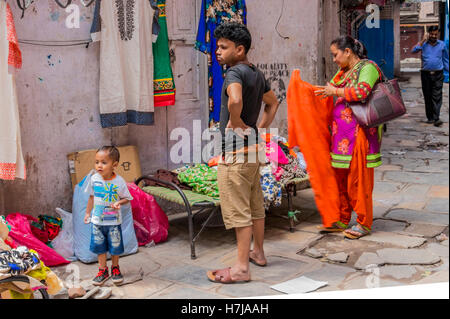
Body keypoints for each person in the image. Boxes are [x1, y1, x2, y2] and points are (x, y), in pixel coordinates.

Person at [206, 22, 279, 283]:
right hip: (253, 152)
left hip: (235, 155)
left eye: (223, 47)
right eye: (217, 46)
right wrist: (259, 129)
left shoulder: (234, 73)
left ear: (239, 49)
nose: (218, 51)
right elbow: (273, 102)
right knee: (255, 206)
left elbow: (234, 99)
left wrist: (235, 120)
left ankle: (240, 269)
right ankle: (258, 253)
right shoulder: (256, 73)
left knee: (239, 212)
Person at [314, 36, 383, 239]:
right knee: (340, 178)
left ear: (348, 52)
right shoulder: (343, 72)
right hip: (341, 136)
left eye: (335, 54)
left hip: (360, 133)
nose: (334, 59)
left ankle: (363, 222)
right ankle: (342, 218)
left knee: (359, 179)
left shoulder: (368, 68)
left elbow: (362, 92)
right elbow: (327, 90)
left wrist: (334, 91)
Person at [84, 146, 133, 285]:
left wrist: (119, 202)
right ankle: (103, 270)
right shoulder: (94, 179)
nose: (99, 165)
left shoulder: (119, 181)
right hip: (97, 222)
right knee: (100, 248)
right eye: (97, 162)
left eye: (104, 162)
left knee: (115, 247)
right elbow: (92, 198)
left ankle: (115, 268)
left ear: (115, 165)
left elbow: (127, 198)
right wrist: (88, 213)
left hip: (113, 222)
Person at [411, 26, 449, 127]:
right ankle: (430, 118)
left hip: (438, 74)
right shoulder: (423, 44)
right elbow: (413, 50)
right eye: (432, 34)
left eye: (435, 34)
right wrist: (423, 40)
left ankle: (436, 118)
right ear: (428, 33)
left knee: (437, 96)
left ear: (438, 34)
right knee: (427, 96)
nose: (433, 36)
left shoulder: (442, 45)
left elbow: (445, 60)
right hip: (426, 74)